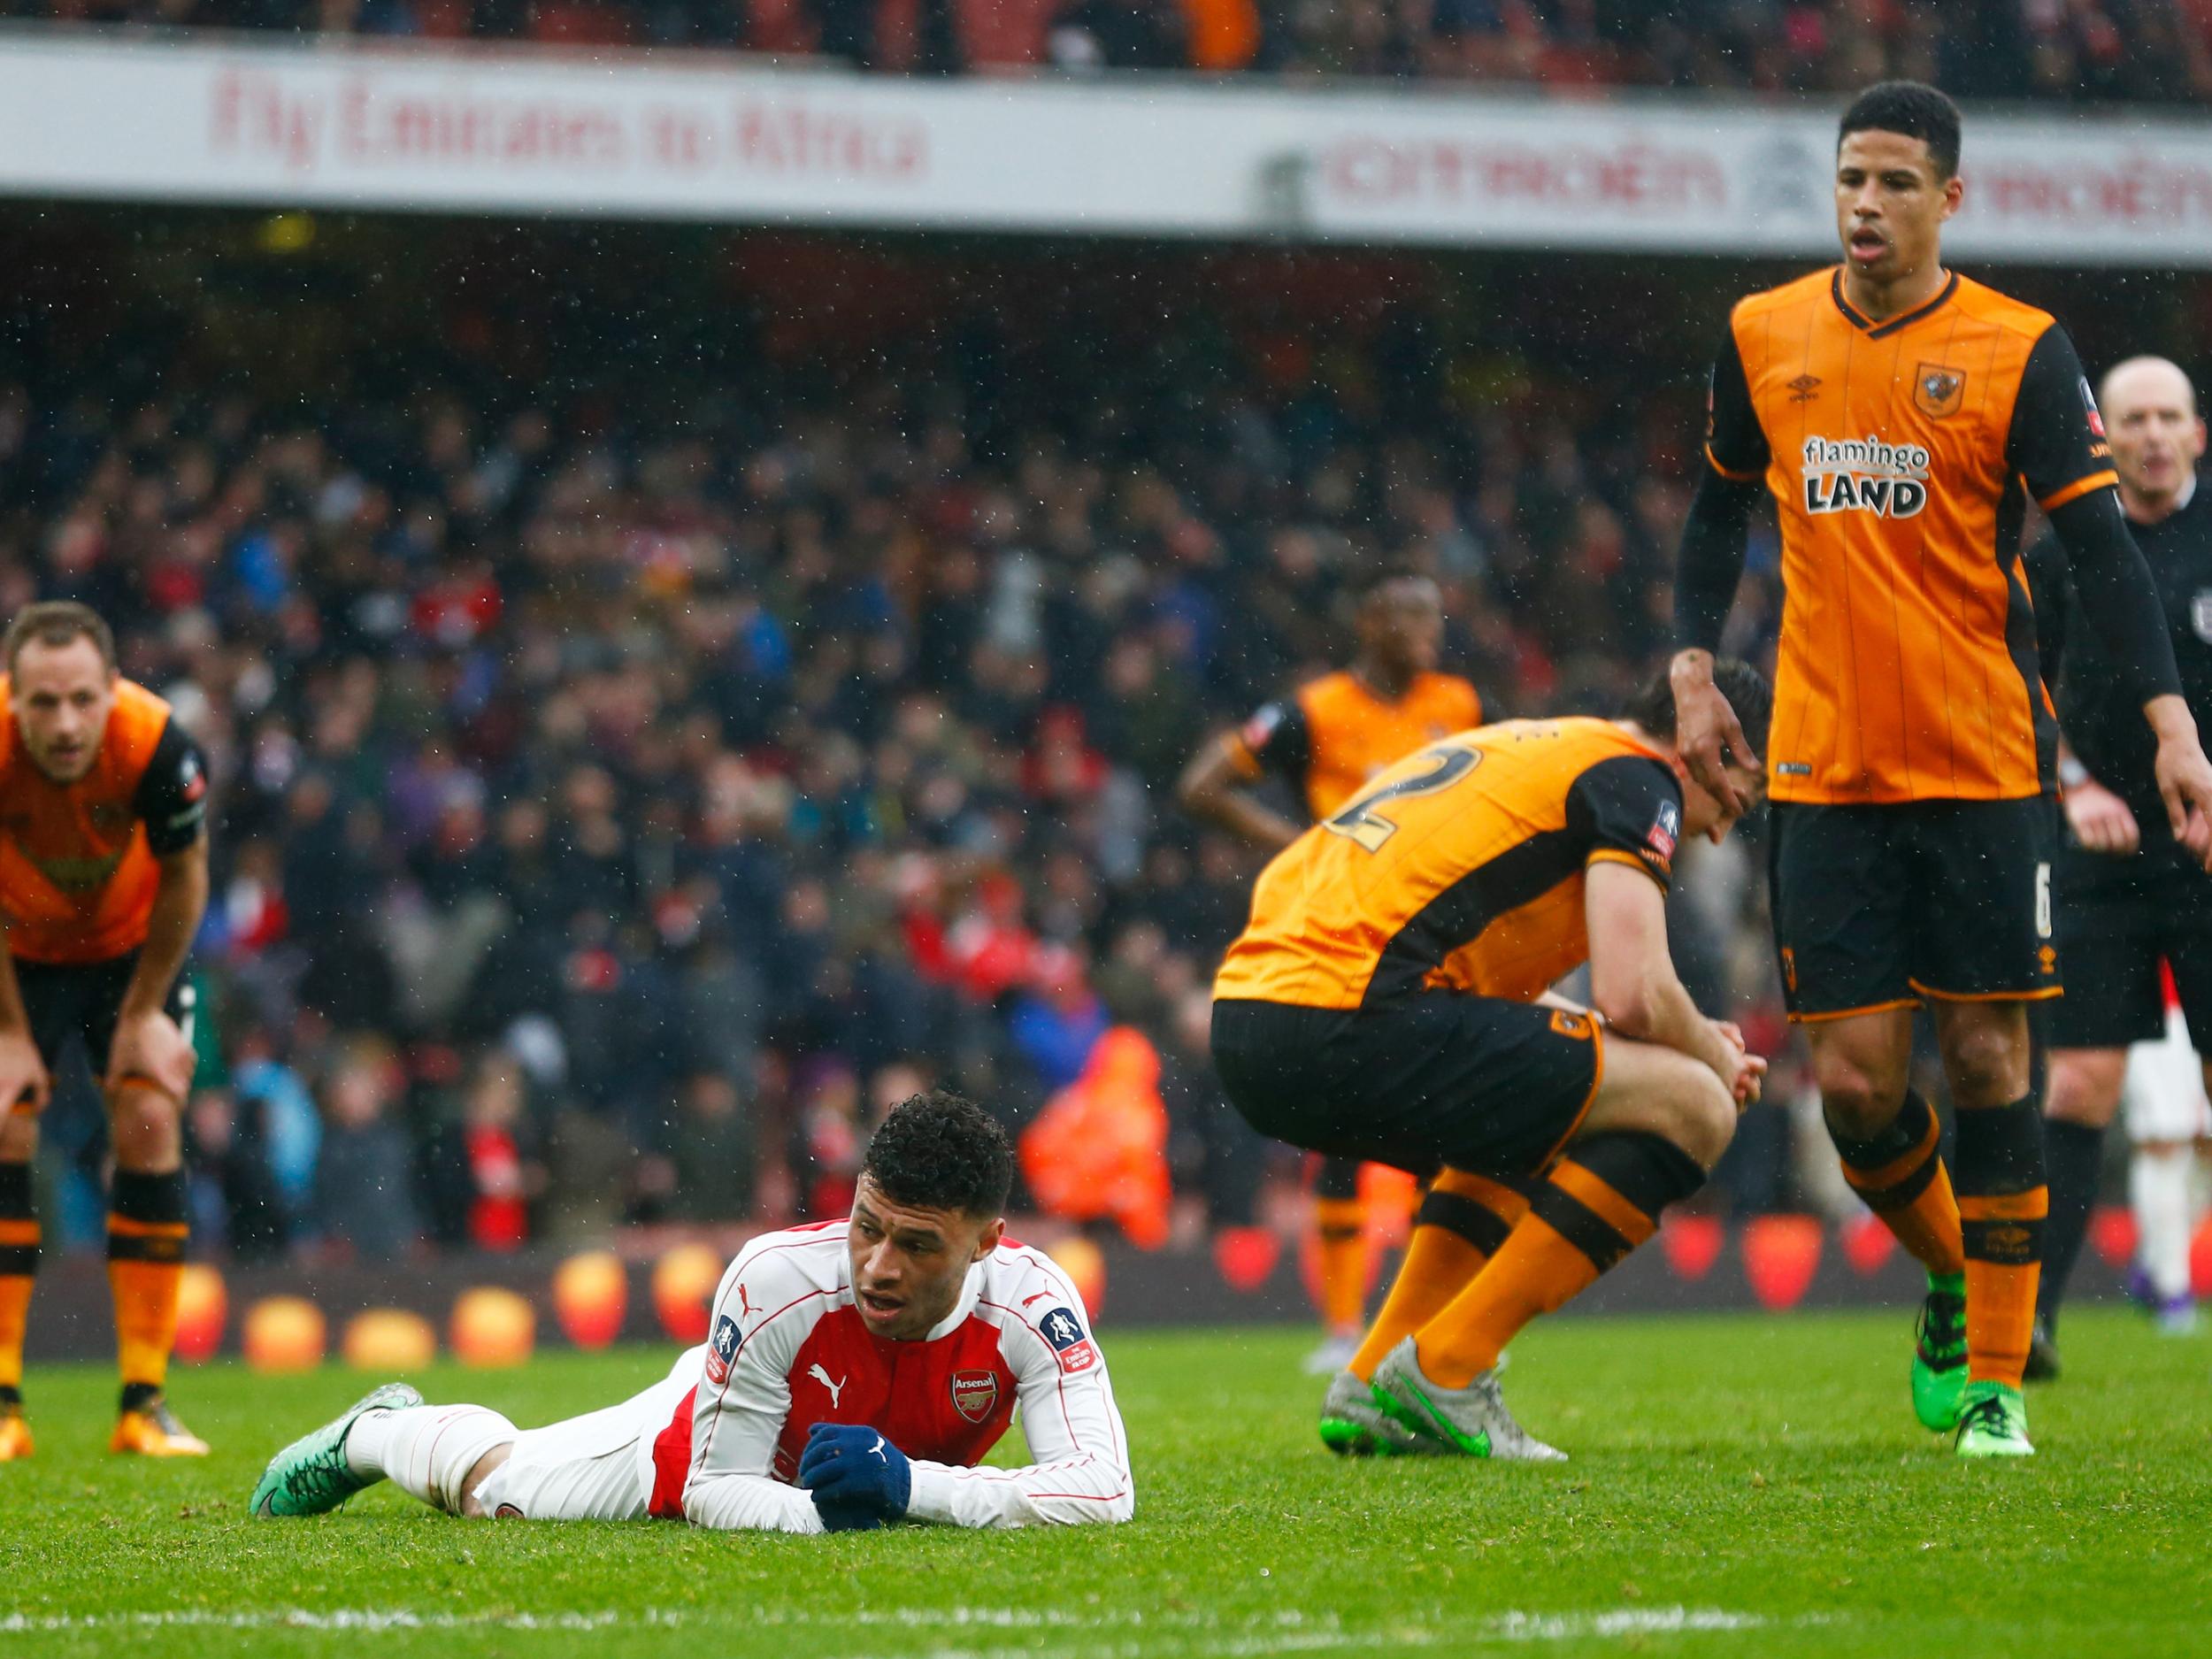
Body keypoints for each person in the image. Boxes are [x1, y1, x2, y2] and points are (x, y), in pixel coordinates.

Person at [1670, 82, 2212, 1458]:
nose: (1867, 204)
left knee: (1988, 1050)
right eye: (1852, 178)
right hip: (1825, 764)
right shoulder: (1762, 331)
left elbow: (2100, 554)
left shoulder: (2020, 349)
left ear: (1949, 200)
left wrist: (2169, 722)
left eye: (1898, 183)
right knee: (1855, 1085)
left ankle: (1996, 1385)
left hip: (1980, 762)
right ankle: (1959, 1269)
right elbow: (1718, 505)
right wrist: (1687, 661)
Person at [1210, 665, 1770, 1460]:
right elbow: (1634, 991)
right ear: (1710, 744)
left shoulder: (1537, 744)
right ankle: (1448, 1369)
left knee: (1535, 1107)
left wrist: (1677, 1034)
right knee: (1695, 1104)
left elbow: (1513, 1004)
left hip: (1252, 1020)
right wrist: (1711, 1049)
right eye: (1734, 796)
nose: (1719, 829)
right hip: (1352, 1013)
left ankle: (1373, 1378)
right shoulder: (1640, 780)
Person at [250, 1091, 1133, 1532]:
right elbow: (717, 1486)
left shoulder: (1032, 1302)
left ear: (985, 1244)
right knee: (497, 1490)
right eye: (868, 1226)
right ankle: (373, 1432)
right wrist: (825, 1511)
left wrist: (909, 1487)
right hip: (694, 1441)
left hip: (864, 1472)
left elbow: (1105, 1489)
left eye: (917, 1245)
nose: (878, 1264)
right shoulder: (777, 1278)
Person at [1180, 566, 1482, 1373]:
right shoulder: (1313, 711)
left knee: (1436, 1123)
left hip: (1430, 932)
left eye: (1435, 615)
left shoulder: (1457, 704)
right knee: (1344, 1126)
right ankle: (1346, 1325)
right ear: (1371, 621)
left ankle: (1426, 1316)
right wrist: (1301, 846)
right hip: (1341, 934)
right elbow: (1200, 784)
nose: (1430, 630)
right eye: (1412, 615)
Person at [2022, 357, 2212, 1372]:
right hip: (2102, 852)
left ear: (2196, 433)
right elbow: (2021, 689)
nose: (2147, 434)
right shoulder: (2064, 556)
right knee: (2081, 1085)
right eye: (2129, 418)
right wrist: (2073, 782)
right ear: (2107, 436)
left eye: (2165, 417)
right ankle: (2038, 1320)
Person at [0, 603, 211, 1462]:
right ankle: (4, 1404)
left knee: (152, 1114)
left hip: (133, 950)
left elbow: (187, 877)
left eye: (82, 699)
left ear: (111, 689)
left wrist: (145, 1013)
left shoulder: (158, 743)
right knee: (4, 1114)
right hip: (21, 952)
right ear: (12, 699)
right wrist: (10, 1029)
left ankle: (144, 1405)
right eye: (42, 703)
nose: (64, 724)